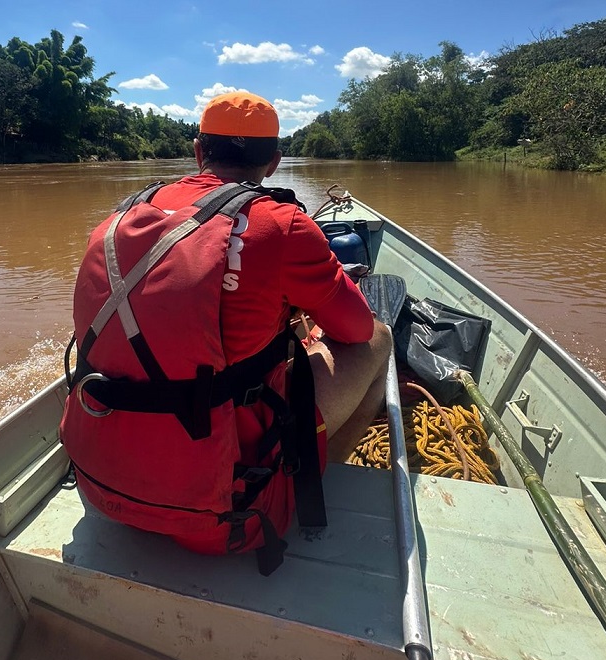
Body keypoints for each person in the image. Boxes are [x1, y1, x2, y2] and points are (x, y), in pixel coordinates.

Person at [60, 91, 390, 573]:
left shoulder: (123, 214)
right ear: (274, 163)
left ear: (198, 151)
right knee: (379, 339)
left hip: (102, 489)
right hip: (225, 519)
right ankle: (308, 482)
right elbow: (356, 329)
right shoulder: (283, 225)